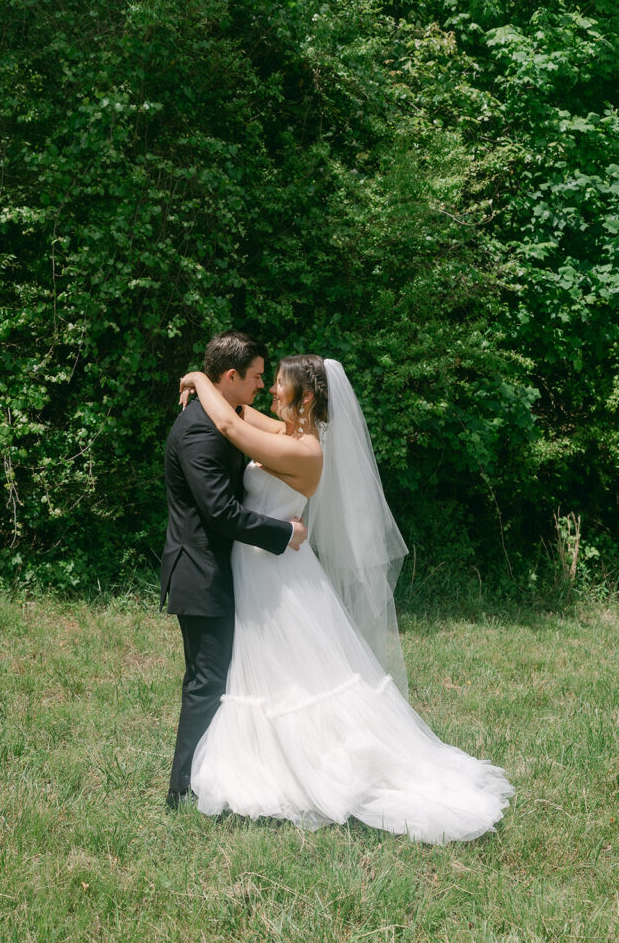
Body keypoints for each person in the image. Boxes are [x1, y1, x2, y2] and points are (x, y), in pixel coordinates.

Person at [178, 354, 514, 842]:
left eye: (279, 385)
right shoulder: (287, 433)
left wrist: (195, 378)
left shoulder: (307, 450)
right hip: (258, 568)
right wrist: (209, 386)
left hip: (279, 576)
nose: (271, 391)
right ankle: (266, 760)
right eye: (267, 383)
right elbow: (240, 413)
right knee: (272, 672)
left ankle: (317, 766)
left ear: (307, 396)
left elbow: (230, 424)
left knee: (298, 676)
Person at [160, 331, 307, 809]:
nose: (261, 387)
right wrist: (284, 533)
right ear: (231, 377)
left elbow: (243, 421)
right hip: (199, 572)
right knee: (206, 682)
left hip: (219, 570)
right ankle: (182, 792)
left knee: (217, 680)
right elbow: (221, 513)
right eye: (257, 378)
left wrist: (197, 378)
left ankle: (214, 778)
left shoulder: (222, 415)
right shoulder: (200, 430)